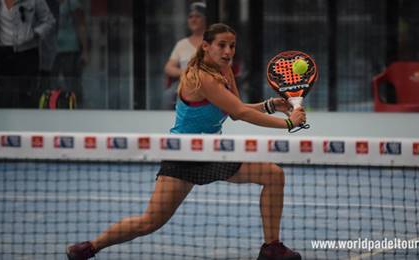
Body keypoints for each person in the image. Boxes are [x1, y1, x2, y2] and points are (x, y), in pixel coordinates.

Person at [66, 23, 306, 260]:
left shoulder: (225, 71)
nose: (228, 51)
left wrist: (271, 105)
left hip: (212, 151)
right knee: (149, 223)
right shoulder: (200, 77)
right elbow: (241, 113)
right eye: (221, 45)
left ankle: (271, 248)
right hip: (183, 155)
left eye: (232, 46)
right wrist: (288, 124)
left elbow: (235, 110)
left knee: (274, 175)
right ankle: (90, 247)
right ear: (205, 47)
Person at [0, 0, 55, 108]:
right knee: (4, 97)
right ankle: (4, 123)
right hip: (1, 53)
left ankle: (26, 123)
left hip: (26, 53)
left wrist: (35, 34)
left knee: (26, 98)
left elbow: (49, 21)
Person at [163, 1, 207, 109]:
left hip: (208, 84)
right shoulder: (181, 44)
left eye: (197, 16)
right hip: (185, 84)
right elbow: (168, 68)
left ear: (206, 19)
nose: (193, 19)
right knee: (168, 95)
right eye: (190, 17)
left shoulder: (213, 42)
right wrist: (185, 73)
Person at [51, 0, 88, 107]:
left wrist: (85, 51)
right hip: (54, 49)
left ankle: (75, 106)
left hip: (70, 49)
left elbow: (81, 26)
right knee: (53, 82)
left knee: (71, 82)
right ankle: (55, 106)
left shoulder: (72, 4)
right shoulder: (52, 4)